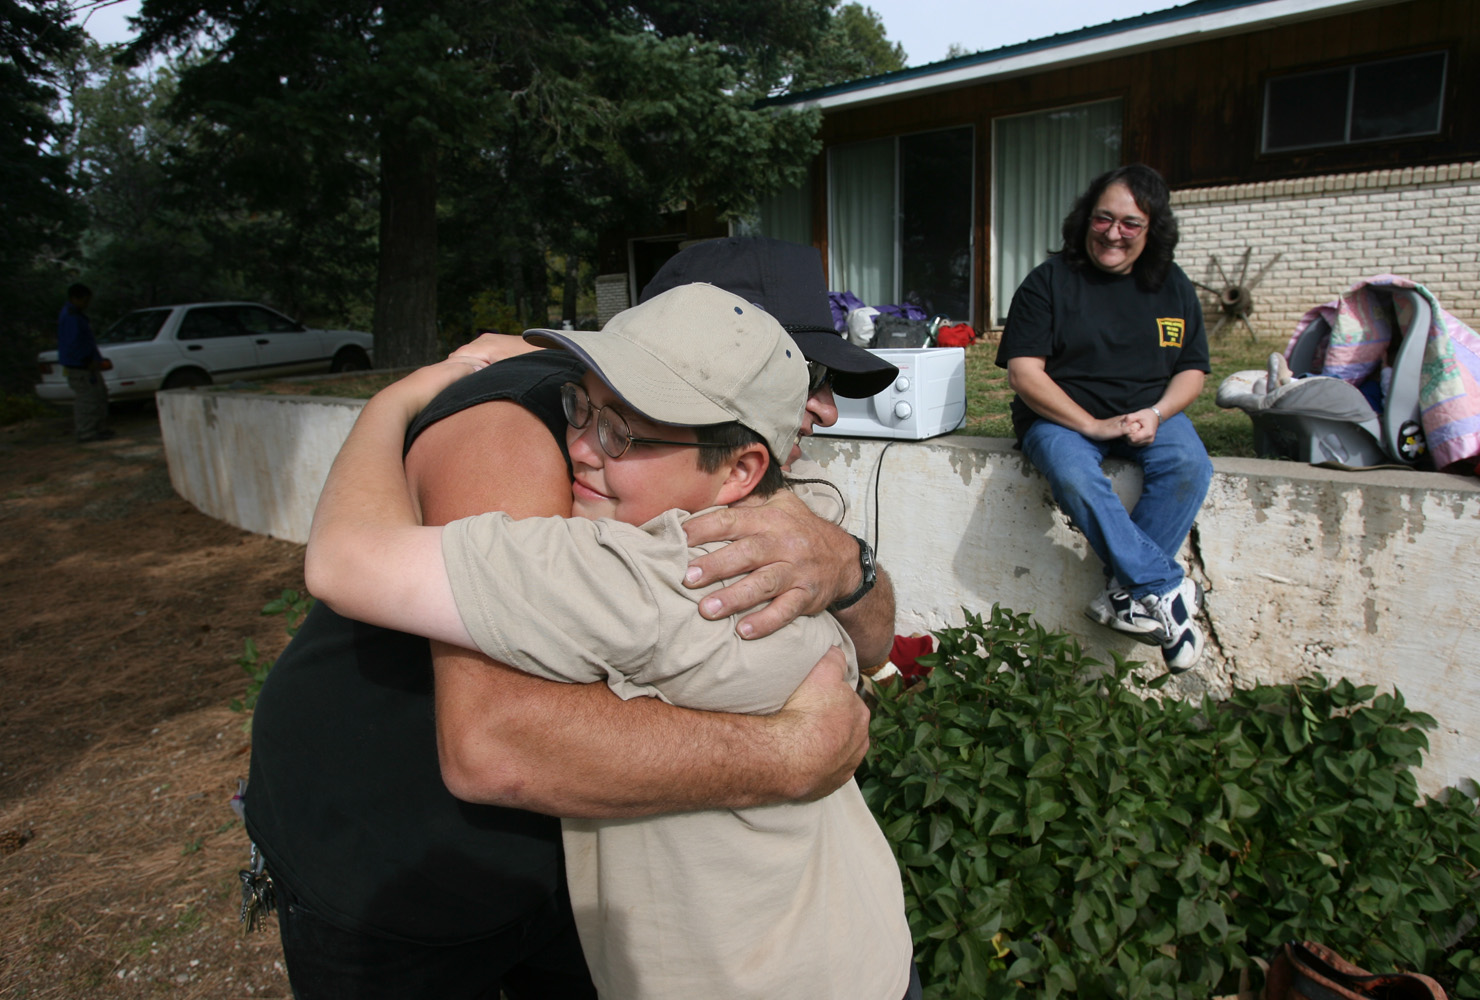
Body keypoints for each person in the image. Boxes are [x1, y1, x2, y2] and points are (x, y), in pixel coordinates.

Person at [242, 237, 901, 997]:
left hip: (577, 890)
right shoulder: (532, 443)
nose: (821, 405)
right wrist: (790, 755)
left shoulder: (745, 494)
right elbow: (494, 743)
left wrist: (851, 564)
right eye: (804, 373)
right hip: (390, 860)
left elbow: (873, 633)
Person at [997, 163, 1213, 673]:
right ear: (1085, 219)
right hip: (1063, 414)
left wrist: (1157, 413)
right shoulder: (1048, 282)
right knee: (1072, 472)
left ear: (1151, 229)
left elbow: (1193, 371)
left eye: (1130, 224)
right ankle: (1164, 586)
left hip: (1148, 410)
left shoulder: (1173, 285)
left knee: (1190, 465)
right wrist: (1091, 426)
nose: (1114, 233)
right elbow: (1024, 374)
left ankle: (1126, 594)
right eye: (1103, 219)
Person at [56, 283, 113, 443]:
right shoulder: (70, 316)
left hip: (89, 364)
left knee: (99, 396)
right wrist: (86, 361)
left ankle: (99, 428)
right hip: (80, 366)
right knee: (87, 399)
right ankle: (86, 432)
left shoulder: (77, 315)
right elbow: (73, 343)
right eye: (85, 300)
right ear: (75, 298)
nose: (87, 304)